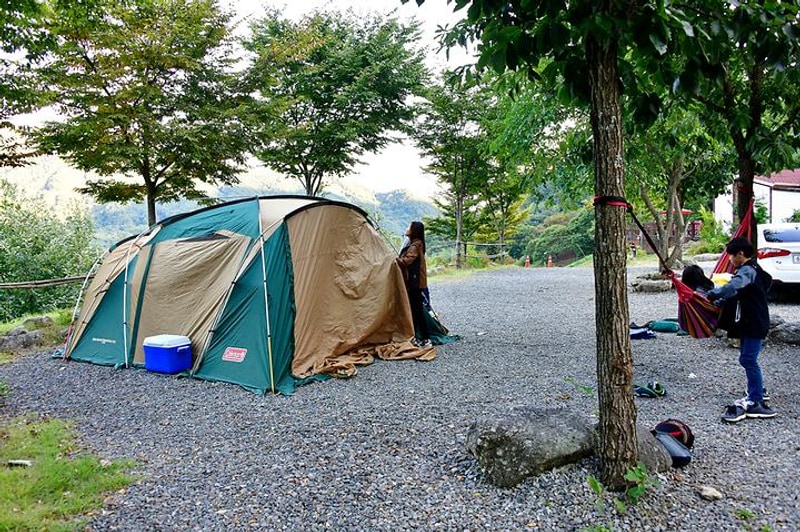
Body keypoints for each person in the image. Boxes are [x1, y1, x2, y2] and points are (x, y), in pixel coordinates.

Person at [707, 237, 775, 423]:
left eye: (731, 255)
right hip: (750, 322)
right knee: (747, 358)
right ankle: (757, 390)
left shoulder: (747, 270)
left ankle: (756, 400)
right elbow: (738, 294)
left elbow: (733, 287)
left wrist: (713, 294)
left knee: (748, 359)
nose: (729, 259)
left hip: (755, 323)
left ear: (741, 254)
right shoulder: (755, 269)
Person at [396, 221, 431, 348]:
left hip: (414, 283)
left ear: (414, 230)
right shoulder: (417, 244)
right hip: (416, 283)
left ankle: (424, 338)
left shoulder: (415, 246)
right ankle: (420, 337)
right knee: (417, 310)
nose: (407, 229)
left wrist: (395, 260)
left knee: (416, 310)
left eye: (409, 227)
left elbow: (406, 261)